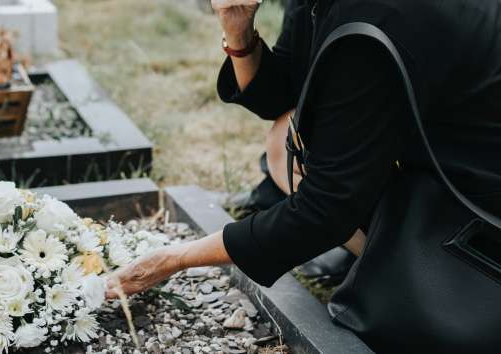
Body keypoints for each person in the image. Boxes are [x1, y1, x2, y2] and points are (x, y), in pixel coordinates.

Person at [107, 0, 501, 351]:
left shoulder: (377, 19)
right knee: (288, 135)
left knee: (303, 152)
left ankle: (425, 276)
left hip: (478, 211)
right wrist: (237, 29)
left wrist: (173, 258)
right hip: (441, 156)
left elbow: (325, 208)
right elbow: (280, 96)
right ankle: (380, 251)